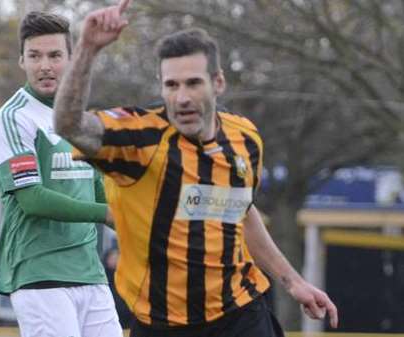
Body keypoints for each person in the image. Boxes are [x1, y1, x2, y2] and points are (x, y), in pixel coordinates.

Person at [53, 1, 339, 336]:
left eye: (193, 83)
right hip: (163, 323)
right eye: (171, 86)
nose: (182, 98)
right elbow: (69, 124)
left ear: (218, 83)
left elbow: (241, 211)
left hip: (240, 315)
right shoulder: (139, 139)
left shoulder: (245, 138)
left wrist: (294, 282)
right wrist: (87, 48)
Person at [0, 11, 123, 337]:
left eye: (55, 55)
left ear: (71, 59)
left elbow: (97, 184)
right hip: (39, 273)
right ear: (22, 60)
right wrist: (108, 214)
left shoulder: (79, 119)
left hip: (90, 273)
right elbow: (32, 199)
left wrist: (131, 226)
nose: (44, 65)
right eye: (35, 55)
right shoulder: (12, 117)